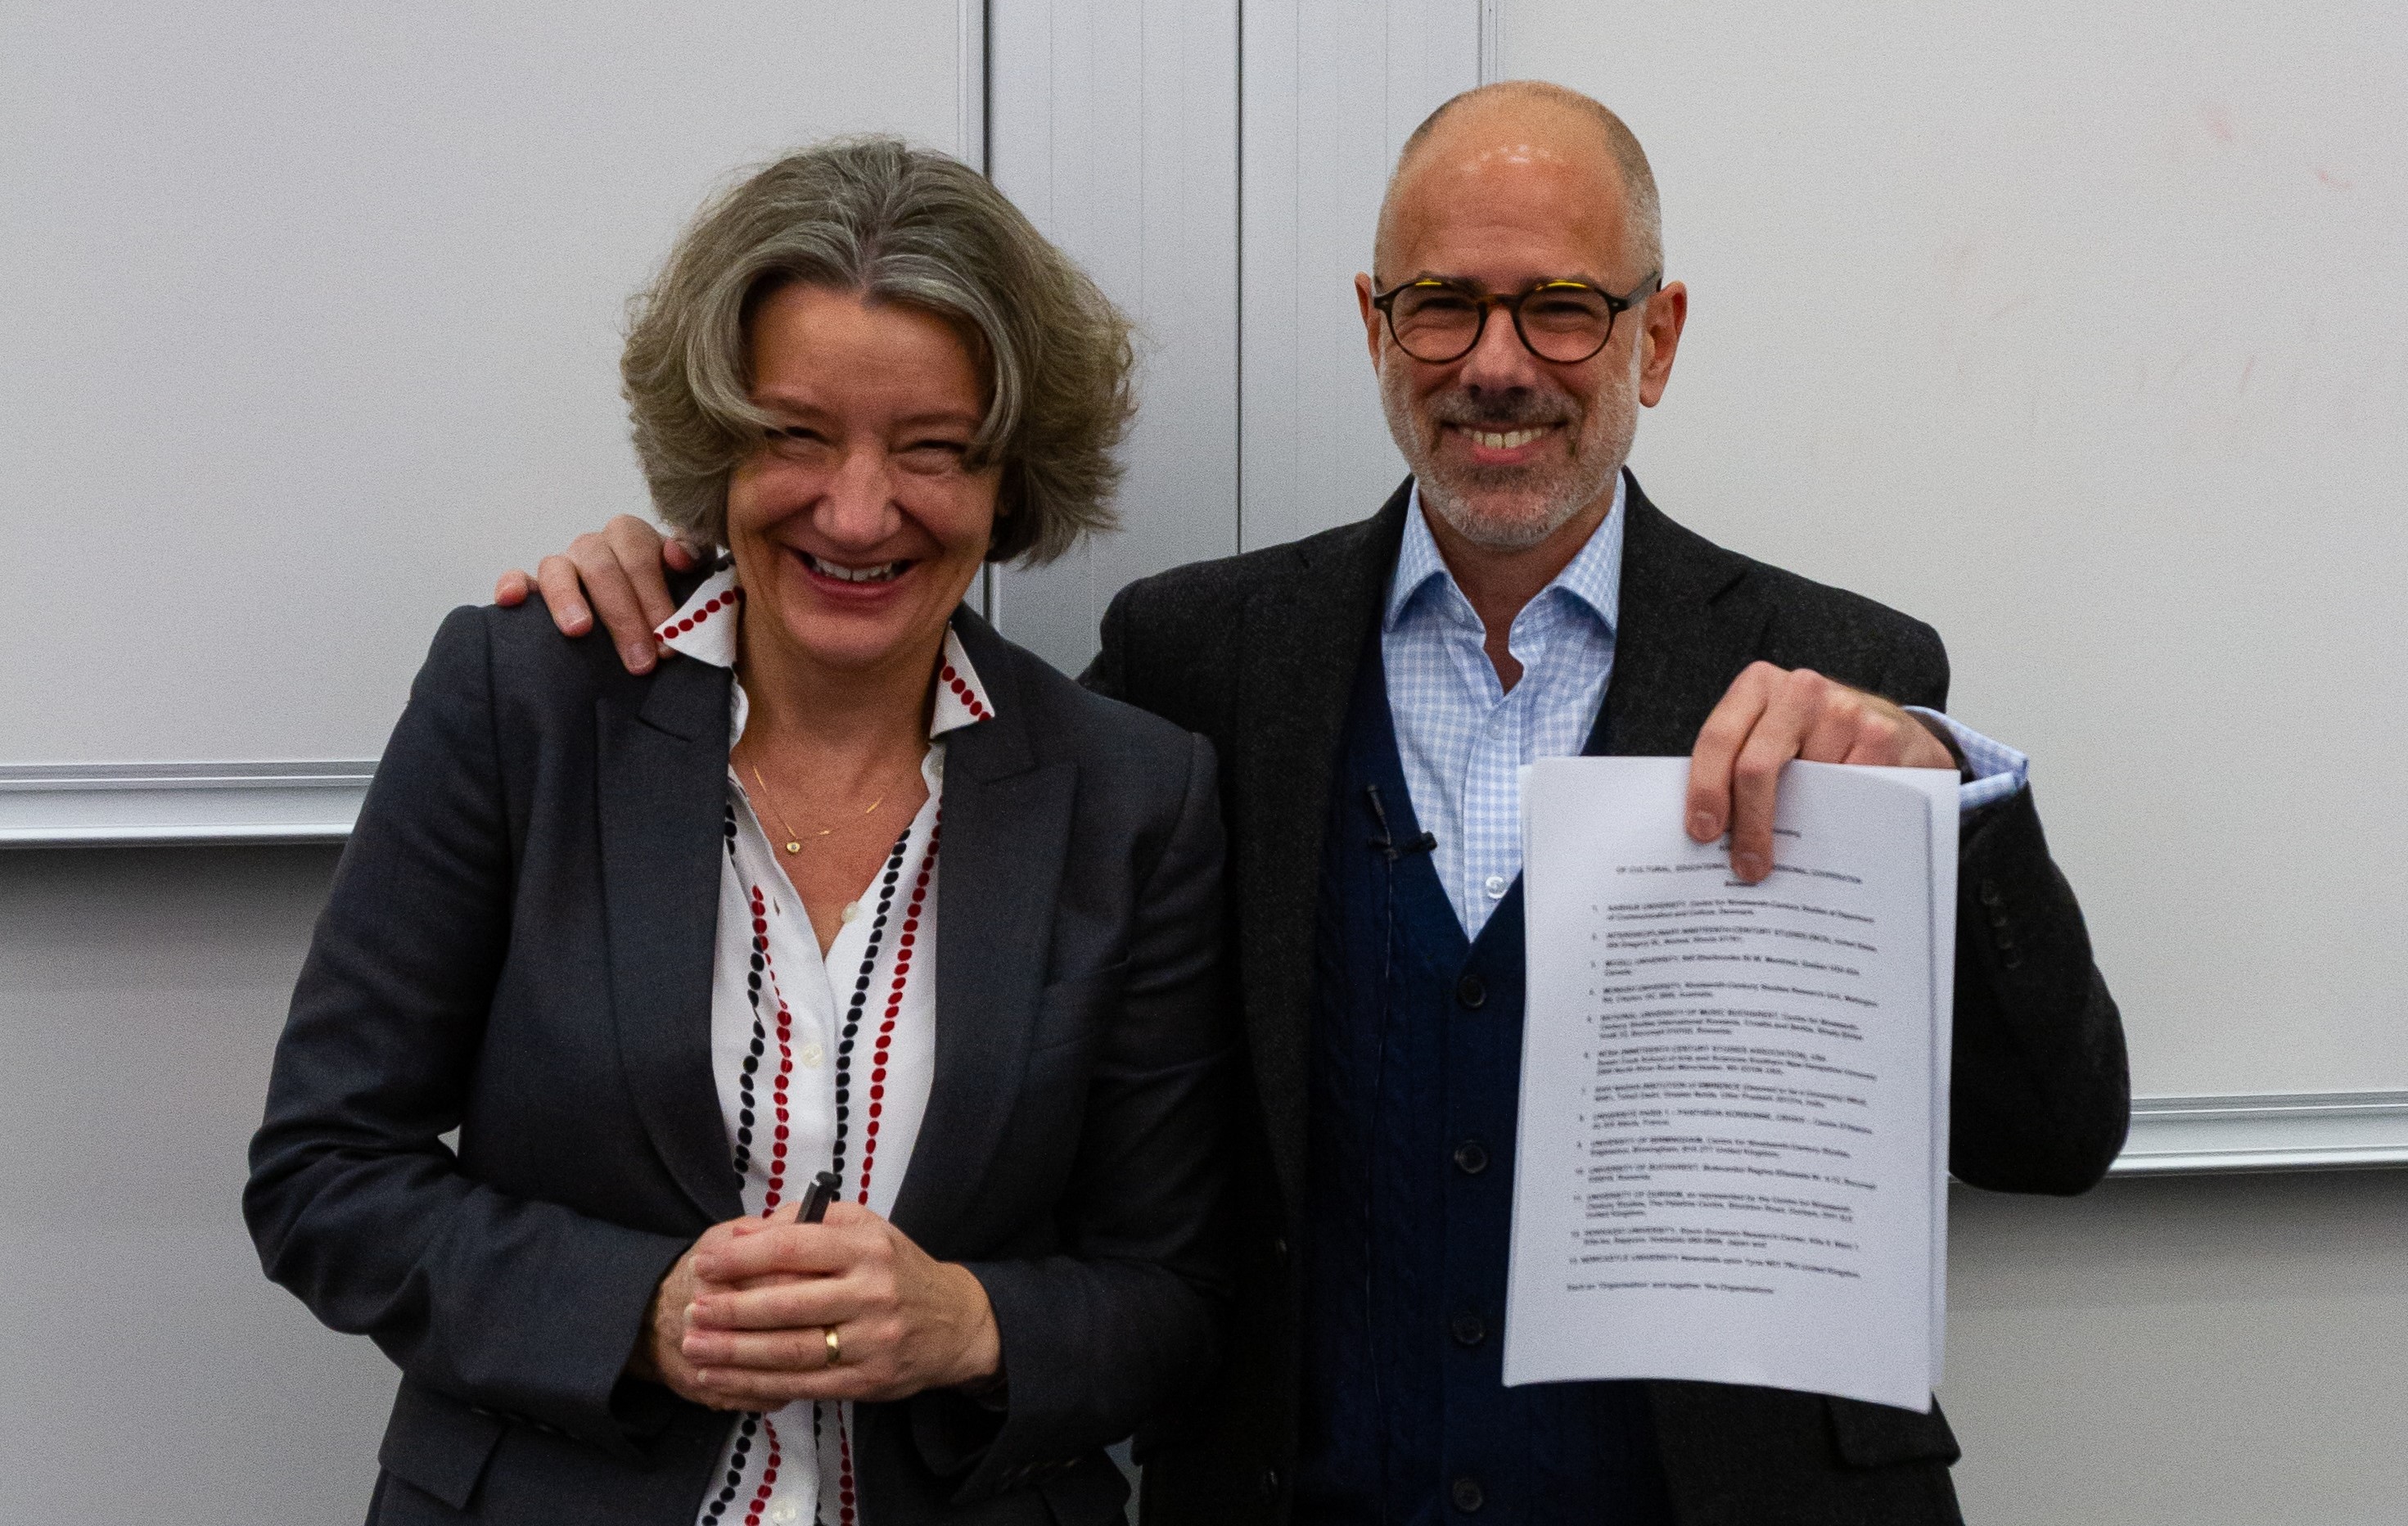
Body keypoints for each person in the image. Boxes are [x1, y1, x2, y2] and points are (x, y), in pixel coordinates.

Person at [506, 84, 2128, 1524]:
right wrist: (691, 566)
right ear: (1372, 323)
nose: (1496, 365)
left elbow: (2049, 1133)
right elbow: (873, 594)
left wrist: (1950, 802)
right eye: (1441, 305)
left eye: (1561, 306)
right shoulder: (1192, 658)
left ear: (1660, 331)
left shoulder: (1839, 671)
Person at [246, 138, 1235, 1526]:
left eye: (933, 450)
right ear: (715, 440)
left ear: (1012, 480)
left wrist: (966, 1325)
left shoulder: (1133, 795)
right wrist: (635, 1312)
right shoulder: (525, 702)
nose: (855, 508)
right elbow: (324, 1175)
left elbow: (1176, 1292)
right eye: (795, 433)